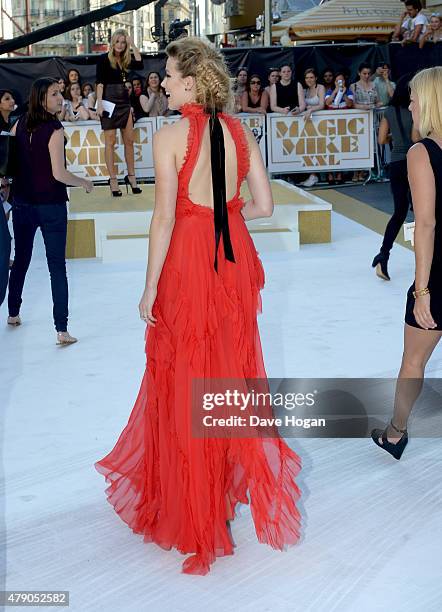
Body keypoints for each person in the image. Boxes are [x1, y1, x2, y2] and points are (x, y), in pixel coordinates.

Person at [95, 36, 301, 576]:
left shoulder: (168, 136)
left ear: (190, 80)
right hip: (232, 264)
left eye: (167, 74)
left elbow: (162, 219)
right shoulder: (239, 132)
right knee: (229, 375)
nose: (160, 81)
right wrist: (223, 219)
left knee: (186, 378)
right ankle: (220, 493)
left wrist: (148, 288)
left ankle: (196, 508)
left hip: (187, 263)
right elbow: (263, 205)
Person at [371, 66, 442, 460]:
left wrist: (422, 289)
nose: (409, 103)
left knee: (413, 361)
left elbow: (427, 224)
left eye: (414, 97)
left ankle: (396, 433)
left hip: (439, 273)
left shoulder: (422, 152)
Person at [6, 77, 93, 344]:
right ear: (42, 98)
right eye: (54, 94)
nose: (60, 98)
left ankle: (12, 313)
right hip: (51, 206)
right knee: (57, 266)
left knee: (21, 259)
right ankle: (61, 329)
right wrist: (84, 182)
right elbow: (59, 173)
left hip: (22, 203)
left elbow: (8, 167)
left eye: (60, 93)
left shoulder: (17, 125)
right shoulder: (54, 128)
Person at [372, 76, 420, 281]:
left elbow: (382, 139)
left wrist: (396, 138)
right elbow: (417, 139)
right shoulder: (414, 111)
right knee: (423, 212)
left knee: (399, 212)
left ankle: (383, 255)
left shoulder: (388, 112)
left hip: (396, 164)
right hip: (415, 163)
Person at [95, 29, 143, 197]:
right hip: (108, 101)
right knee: (110, 142)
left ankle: (131, 177)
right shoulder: (103, 60)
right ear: (112, 42)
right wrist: (99, 104)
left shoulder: (126, 59)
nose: (121, 45)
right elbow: (99, 83)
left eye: (123, 42)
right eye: (118, 42)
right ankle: (113, 180)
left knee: (129, 141)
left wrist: (133, 43)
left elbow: (140, 62)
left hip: (124, 102)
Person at [325, 72, 354, 184]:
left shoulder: (349, 91)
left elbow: (350, 104)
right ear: (335, 82)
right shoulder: (329, 91)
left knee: (341, 148)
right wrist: (336, 91)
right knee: (331, 148)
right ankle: (330, 173)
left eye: (342, 80)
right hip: (331, 124)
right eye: (337, 81)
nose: (340, 83)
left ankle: (339, 174)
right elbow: (327, 102)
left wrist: (343, 92)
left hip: (344, 124)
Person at [299, 69, 325, 188]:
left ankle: (315, 175)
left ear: (315, 78)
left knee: (320, 148)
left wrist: (310, 109)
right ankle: (311, 175)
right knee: (310, 148)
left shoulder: (320, 88)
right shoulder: (304, 91)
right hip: (309, 123)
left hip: (321, 122)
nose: (309, 80)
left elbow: (321, 104)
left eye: (311, 77)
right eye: (307, 78)